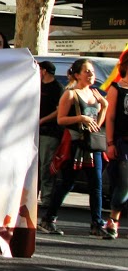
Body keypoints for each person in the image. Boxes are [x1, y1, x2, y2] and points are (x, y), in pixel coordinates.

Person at [40, 58, 108, 237]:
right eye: (87, 71)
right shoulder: (70, 94)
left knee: (96, 185)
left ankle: (97, 223)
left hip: (92, 145)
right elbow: (61, 119)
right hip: (75, 144)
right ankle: (48, 219)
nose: (91, 74)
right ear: (77, 75)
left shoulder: (95, 95)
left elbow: (97, 125)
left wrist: (104, 107)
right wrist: (80, 118)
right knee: (67, 183)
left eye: (92, 71)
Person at [103, 50, 128, 241]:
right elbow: (110, 118)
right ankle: (113, 220)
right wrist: (110, 143)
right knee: (124, 184)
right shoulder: (116, 88)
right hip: (123, 142)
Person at [37, 60, 63, 208]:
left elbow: (60, 110)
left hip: (50, 133)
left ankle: (47, 200)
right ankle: (32, 198)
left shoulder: (57, 87)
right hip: (35, 132)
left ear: (44, 71)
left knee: (46, 167)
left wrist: (43, 120)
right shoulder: (37, 86)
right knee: (35, 168)